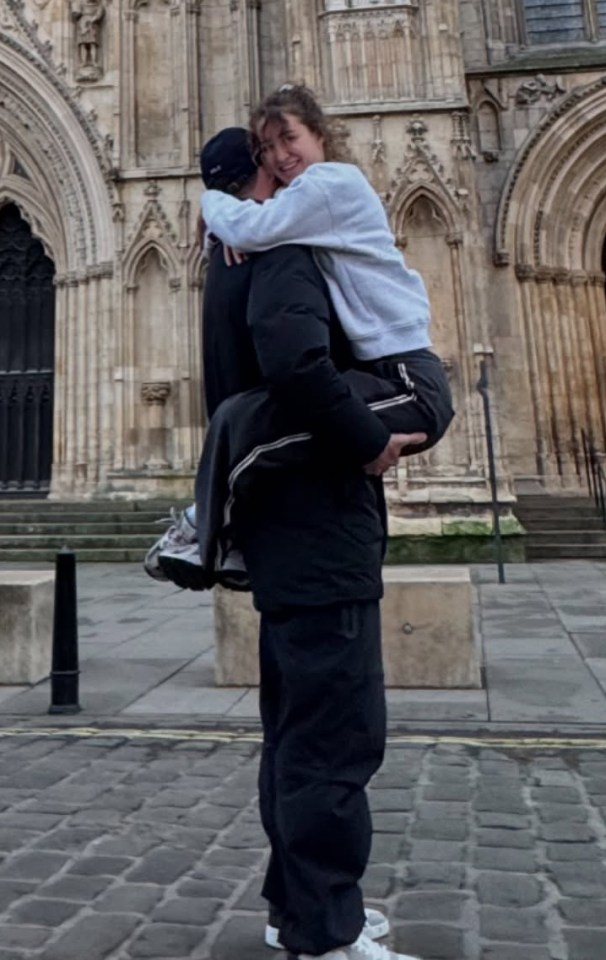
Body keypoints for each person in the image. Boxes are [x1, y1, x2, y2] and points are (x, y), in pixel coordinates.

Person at [156, 127, 423, 960]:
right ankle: (326, 930)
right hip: (317, 526)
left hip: (288, 529)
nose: (304, 186)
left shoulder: (228, 267)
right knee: (335, 741)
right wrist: (369, 437)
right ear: (263, 187)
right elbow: (301, 367)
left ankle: (298, 904)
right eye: (287, 172)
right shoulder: (281, 259)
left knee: (297, 733)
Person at [145, 89, 452, 588]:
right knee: (246, 419)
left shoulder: (334, 183)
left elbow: (259, 225)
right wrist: (219, 228)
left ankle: (207, 526)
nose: (280, 155)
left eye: (289, 138)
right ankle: (226, 534)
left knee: (254, 421)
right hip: (380, 374)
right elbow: (257, 226)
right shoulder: (304, 205)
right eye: (266, 148)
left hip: (411, 382)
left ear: (320, 135)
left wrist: (212, 201)